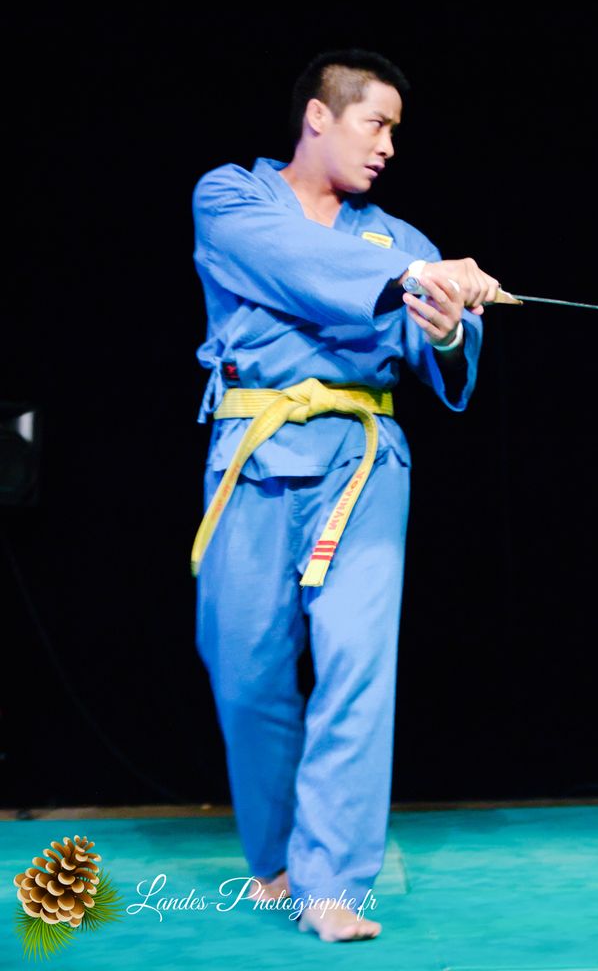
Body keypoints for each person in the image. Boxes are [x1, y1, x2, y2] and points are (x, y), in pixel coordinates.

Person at [191, 49, 499, 942]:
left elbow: (437, 352)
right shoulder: (231, 198)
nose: (389, 145)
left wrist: (448, 328)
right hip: (252, 455)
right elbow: (287, 260)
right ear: (319, 117)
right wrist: (417, 280)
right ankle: (276, 861)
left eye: (396, 130)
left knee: (357, 665)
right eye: (377, 123)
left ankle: (333, 882)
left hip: (361, 463)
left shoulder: (400, 239)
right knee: (245, 673)